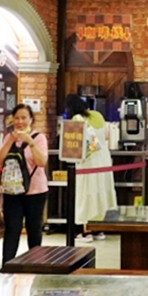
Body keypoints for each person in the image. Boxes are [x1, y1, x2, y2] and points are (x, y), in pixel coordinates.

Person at [0, 102, 49, 264]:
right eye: (16, 118)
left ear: (31, 119)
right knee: (12, 228)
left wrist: (31, 143)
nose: (20, 122)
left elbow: (42, 162)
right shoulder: (8, 138)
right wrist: (10, 141)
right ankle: (7, 265)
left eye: (24, 118)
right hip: (12, 191)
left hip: (35, 191)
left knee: (34, 228)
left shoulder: (39, 138)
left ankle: (35, 264)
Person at [65, 94, 116, 243]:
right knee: (100, 194)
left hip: (87, 162)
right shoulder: (98, 115)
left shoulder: (76, 119)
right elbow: (106, 135)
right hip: (103, 159)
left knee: (85, 194)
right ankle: (99, 229)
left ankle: (85, 232)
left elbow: (74, 144)